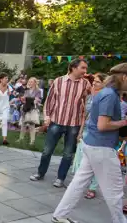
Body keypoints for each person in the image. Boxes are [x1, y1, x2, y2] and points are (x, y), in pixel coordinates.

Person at [51, 63, 127, 223]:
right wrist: (124, 123)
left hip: (91, 145)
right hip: (101, 148)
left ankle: (60, 214)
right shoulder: (110, 96)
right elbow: (103, 125)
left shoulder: (106, 93)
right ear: (124, 77)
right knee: (115, 189)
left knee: (79, 183)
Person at [30, 59, 91, 187]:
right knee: (47, 150)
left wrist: (82, 125)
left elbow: (88, 105)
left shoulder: (85, 84)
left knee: (68, 154)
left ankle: (60, 178)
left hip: (74, 124)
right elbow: (50, 100)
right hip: (56, 121)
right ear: (73, 68)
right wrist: (47, 117)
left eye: (86, 68)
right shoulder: (58, 81)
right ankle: (40, 173)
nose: (85, 71)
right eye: (83, 68)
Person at [70, 73, 107, 199]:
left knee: (95, 162)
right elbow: (84, 115)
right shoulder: (90, 97)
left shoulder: (107, 98)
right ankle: (79, 185)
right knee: (81, 160)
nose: (94, 84)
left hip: (98, 133)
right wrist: (80, 132)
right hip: (86, 130)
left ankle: (92, 187)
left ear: (104, 83)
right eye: (94, 81)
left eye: (97, 81)